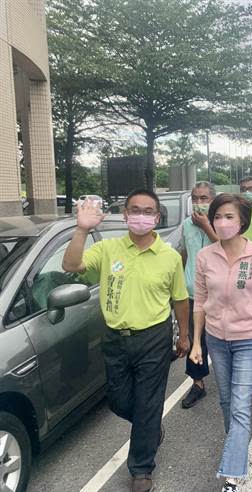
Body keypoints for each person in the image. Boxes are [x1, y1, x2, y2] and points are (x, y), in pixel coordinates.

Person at [62, 190, 190, 492]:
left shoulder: (169, 256)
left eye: (148, 211)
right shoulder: (108, 249)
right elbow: (71, 265)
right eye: (135, 210)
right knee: (119, 401)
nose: (141, 216)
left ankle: (141, 470)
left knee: (148, 400)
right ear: (125, 215)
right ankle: (149, 426)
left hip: (153, 338)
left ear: (157, 218)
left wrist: (183, 335)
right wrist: (81, 229)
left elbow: (180, 300)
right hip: (116, 338)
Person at [190, 194, 252, 492]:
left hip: (249, 338)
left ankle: (231, 475)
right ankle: (237, 450)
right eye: (217, 216)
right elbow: (200, 301)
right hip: (216, 338)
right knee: (227, 402)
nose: (222, 222)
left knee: (240, 406)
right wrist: (196, 343)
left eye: (229, 216)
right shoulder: (206, 256)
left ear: (242, 221)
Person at [179, 182, 218, 409]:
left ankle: (232, 381)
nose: (199, 203)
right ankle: (198, 383)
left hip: (219, 294)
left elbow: (225, 248)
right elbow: (184, 253)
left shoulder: (222, 223)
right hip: (193, 293)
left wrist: (206, 226)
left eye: (204, 198)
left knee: (223, 339)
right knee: (196, 341)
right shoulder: (185, 225)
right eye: (195, 198)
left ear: (213, 200)